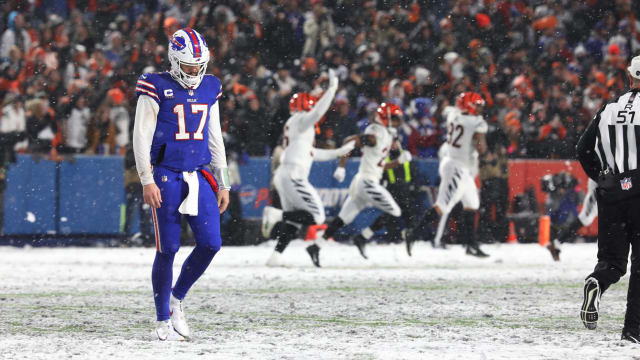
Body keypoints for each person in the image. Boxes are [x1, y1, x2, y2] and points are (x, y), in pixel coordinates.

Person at [132, 28, 230, 341]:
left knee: (211, 243)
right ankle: (162, 319)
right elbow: (141, 137)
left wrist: (224, 181)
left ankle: (176, 300)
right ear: (175, 61)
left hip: (200, 174)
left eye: (199, 66)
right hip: (166, 174)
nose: (195, 73)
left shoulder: (210, 86)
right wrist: (146, 179)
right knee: (168, 248)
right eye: (189, 67)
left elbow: (215, 137)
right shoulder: (156, 85)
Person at [261, 70, 355, 267]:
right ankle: (275, 215)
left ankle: (275, 256)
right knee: (317, 215)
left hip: (286, 174)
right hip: (293, 175)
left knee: (295, 221)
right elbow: (318, 111)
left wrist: (341, 151)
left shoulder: (295, 125)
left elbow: (314, 153)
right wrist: (332, 89)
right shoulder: (301, 120)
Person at [575, 55, 640, 343]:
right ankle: (633, 331)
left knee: (612, 261)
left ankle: (597, 282)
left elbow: (582, 148)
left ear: (630, 77)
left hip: (612, 191)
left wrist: (603, 178)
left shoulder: (609, 107)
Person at [317, 103, 412, 265]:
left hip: (365, 180)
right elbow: (349, 141)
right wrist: (341, 166)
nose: (398, 122)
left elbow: (379, 165)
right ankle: (362, 237)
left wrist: (398, 162)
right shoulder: (377, 133)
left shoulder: (386, 135)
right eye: (395, 119)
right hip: (367, 182)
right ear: (386, 118)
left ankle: (315, 246)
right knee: (394, 212)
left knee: (343, 218)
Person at [405, 92, 489, 258]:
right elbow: (481, 148)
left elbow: (448, 111)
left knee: (472, 203)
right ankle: (413, 234)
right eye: (477, 105)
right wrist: (485, 151)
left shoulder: (453, 114)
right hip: (457, 167)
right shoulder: (476, 122)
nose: (480, 108)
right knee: (442, 206)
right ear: (470, 106)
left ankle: (471, 245)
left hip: (456, 164)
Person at [546, 178, 597, 261]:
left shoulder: (573, 192)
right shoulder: (556, 195)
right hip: (559, 222)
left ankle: (558, 242)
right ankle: (558, 242)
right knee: (586, 218)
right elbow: (551, 208)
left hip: (567, 221)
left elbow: (581, 199)